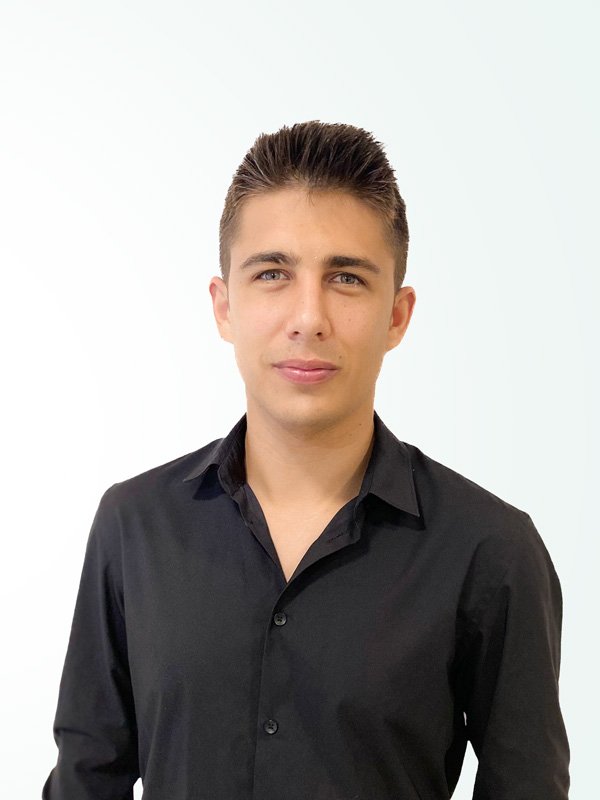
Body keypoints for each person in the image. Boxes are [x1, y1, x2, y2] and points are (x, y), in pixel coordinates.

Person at [42, 120, 570, 800]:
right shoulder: (134, 525)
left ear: (397, 316)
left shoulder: (490, 549)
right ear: (224, 306)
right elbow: (86, 781)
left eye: (346, 278)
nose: (308, 317)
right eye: (273, 274)